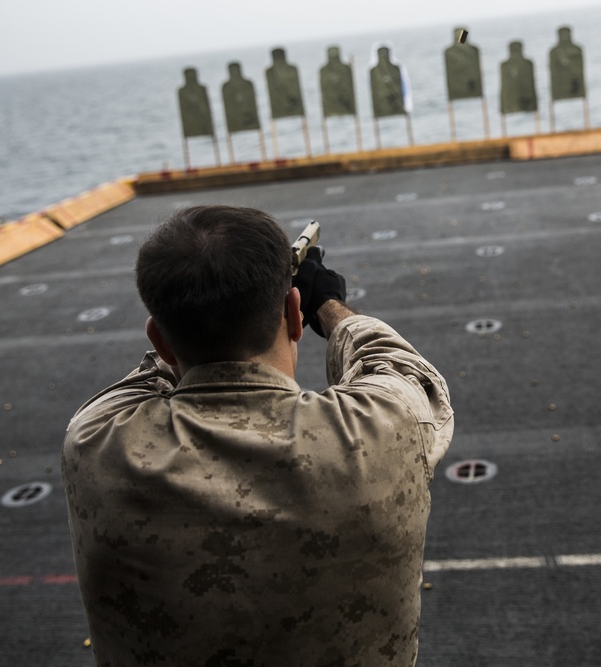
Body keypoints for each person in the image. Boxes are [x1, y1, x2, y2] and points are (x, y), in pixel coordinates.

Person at [61, 205, 454, 666]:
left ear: (160, 338)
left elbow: (149, 375)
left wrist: (187, 318)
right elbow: (401, 366)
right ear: (293, 312)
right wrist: (328, 305)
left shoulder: (95, 442)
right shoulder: (384, 427)